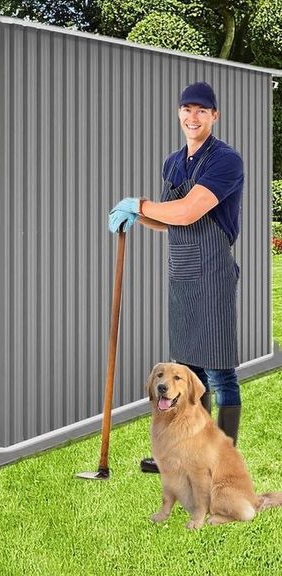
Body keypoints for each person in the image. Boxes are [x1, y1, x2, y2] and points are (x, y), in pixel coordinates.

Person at [108, 81, 244, 475]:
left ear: (214, 116)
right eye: (187, 108)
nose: (193, 116)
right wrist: (140, 216)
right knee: (186, 369)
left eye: (202, 110)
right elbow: (170, 221)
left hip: (214, 273)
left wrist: (140, 202)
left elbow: (188, 211)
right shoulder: (172, 162)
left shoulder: (226, 160)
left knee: (218, 370)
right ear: (179, 113)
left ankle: (221, 458)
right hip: (181, 273)